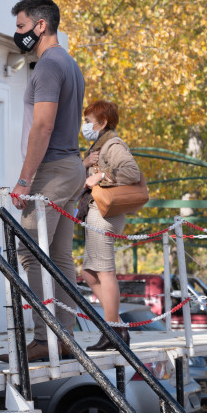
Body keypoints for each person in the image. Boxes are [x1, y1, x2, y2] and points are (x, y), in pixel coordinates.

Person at [0, 0, 86, 363]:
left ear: (40, 25)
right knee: (60, 255)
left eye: (21, 27)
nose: (17, 34)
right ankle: (63, 337)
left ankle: (42, 337)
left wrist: (24, 179)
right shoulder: (69, 62)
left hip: (51, 170)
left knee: (31, 252)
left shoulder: (49, 65)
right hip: (71, 168)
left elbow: (43, 124)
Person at [79, 100, 142, 350]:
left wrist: (101, 176)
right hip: (97, 213)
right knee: (89, 273)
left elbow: (132, 172)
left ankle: (113, 331)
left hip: (105, 213)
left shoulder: (112, 144)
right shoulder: (100, 145)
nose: (85, 126)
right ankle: (116, 327)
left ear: (103, 122)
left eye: (88, 121)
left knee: (104, 272)